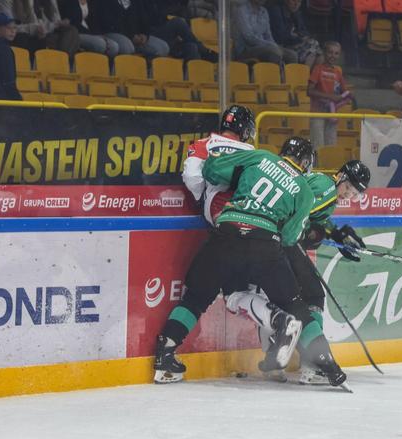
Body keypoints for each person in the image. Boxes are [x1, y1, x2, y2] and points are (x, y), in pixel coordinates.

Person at [154, 140, 351, 391]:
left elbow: (213, 170)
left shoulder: (260, 157)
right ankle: (326, 363)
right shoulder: (304, 188)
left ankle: (165, 355)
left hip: (227, 232)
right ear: (305, 164)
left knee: (196, 297)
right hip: (265, 243)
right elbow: (291, 237)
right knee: (295, 305)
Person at [228, 152, 371, 385]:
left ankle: (285, 360)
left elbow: (312, 216)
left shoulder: (325, 187)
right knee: (310, 295)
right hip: (281, 242)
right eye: (349, 187)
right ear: (341, 176)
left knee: (290, 300)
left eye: (355, 193)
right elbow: (300, 213)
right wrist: (316, 232)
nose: (349, 194)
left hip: (276, 240)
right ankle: (313, 361)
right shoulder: (327, 187)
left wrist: (334, 232)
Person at [183, 105, 257, 225]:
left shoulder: (203, 144)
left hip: (214, 206)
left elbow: (192, 177)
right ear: (245, 130)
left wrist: (201, 198)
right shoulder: (250, 151)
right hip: (246, 210)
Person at [308, 41, 352, 150]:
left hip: (332, 114)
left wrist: (347, 96)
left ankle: (328, 167)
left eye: (336, 53)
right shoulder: (317, 69)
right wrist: (330, 97)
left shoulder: (338, 72)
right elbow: (309, 91)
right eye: (330, 52)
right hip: (317, 112)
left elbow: (344, 91)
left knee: (331, 146)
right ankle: (316, 167)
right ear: (324, 53)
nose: (333, 56)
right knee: (318, 146)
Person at [140, 0, 218, 62]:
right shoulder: (143, 2)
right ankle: (205, 51)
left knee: (192, 47)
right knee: (178, 22)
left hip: (166, 38)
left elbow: (166, 14)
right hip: (150, 36)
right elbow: (145, 24)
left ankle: (190, 77)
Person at [231, 0, 298, 64]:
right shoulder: (241, 10)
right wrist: (270, 45)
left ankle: (284, 75)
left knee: (293, 55)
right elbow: (249, 37)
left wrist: (274, 45)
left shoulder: (264, 12)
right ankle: (271, 75)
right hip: (246, 50)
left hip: (264, 47)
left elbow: (268, 36)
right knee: (274, 51)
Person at [97, 0, 168, 57]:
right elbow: (108, 24)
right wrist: (131, 36)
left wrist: (145, 35)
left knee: (163, 48)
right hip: (114, 33)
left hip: (136, 36)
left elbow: (144, 21)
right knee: (127, 47)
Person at [268, 0, 322, 69]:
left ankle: (309, 77)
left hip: (296, 43)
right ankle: (304, 77)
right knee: (315, 49)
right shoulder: (276, 11)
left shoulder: (296, 13)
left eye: (299, 1)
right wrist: (298, 38)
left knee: (318, 53)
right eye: (294, 0)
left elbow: (304, 32)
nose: (296, 4)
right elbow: (281, 37)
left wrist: (299, 36)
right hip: (282, 45)